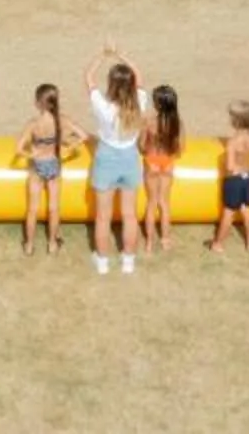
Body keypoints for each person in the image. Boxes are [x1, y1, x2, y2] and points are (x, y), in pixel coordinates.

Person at [83, 44, 145, 275]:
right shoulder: (140, 100)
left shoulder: (103, 106)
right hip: (130, 159)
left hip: (106, 158)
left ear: (111, 84)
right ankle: (128, 260)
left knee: (102, 216)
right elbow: (139, 76)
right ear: (131, 85)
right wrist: (123, 55)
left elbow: (88, 77)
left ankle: (102, 262)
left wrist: (103, 55)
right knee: (130, 215)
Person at [19, 82, 74, 256]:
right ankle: (51, 244)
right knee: (54, 208)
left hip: (37, 165)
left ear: (37, 102)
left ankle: (29, 245)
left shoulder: (33, 123)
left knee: (32, 209)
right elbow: (84, 136)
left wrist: (32, 155)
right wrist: (68, 147)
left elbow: (18, 149)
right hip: (54, 162)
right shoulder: (61, 121)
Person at [209, 100, 249, 255]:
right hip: (248, 178)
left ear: (236, 121)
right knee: (246, 209)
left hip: (234, 181)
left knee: (229, 212)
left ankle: (218, 244)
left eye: (231, 117)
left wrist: (223, 159)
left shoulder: (233, 143)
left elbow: (230, 166)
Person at [142, 85, 185, 252]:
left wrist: (147, 156)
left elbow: (141, 145)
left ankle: (149, 242)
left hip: (151, 161)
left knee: (151, 203)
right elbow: (180, 148)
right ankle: (166, 240)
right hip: (167, 162)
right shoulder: (177, 124)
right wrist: (169, 157)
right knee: (164, 203)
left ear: (158, 104)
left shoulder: (150, 122)